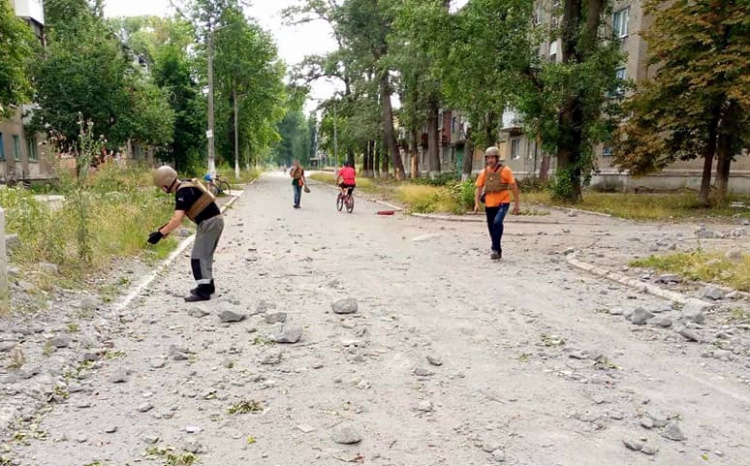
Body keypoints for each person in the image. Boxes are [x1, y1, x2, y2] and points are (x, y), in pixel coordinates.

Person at [149, 166, 224, 302]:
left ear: (166, 184)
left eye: (162, 187)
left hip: (209, 223)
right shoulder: (186, 185)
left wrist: (160, 234)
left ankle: (203, 291)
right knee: (204, 256)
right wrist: (163, 230)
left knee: (198, 257)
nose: (162, 189)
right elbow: (177, 218)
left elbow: (177, 219)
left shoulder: (182, 192)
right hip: (212, 221)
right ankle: (208, 285)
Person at [473, 146, 521, 260]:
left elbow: (514, 187)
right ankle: (497, 250)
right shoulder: (484, 172)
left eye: (492, 158)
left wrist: (517, 205)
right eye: (488, 158)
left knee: (497, 222)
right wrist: (476, 204)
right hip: (489, 204)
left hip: (503, 202)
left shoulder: (506, 171)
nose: (490, 160)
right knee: (491, 228)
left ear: (497, 158)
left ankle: (494, 249)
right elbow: (478, 189)